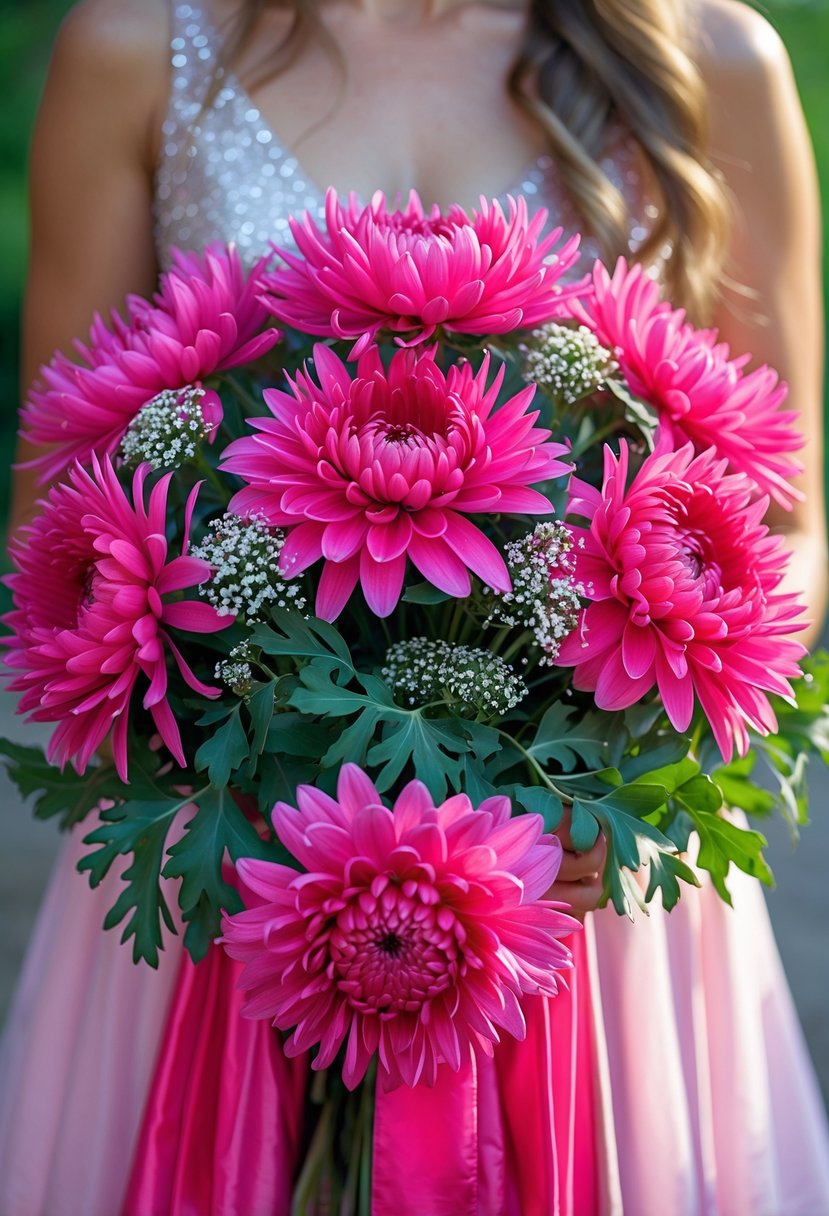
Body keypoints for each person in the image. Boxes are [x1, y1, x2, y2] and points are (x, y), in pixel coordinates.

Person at [1, 0, 828, 1212]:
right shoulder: (135, 45)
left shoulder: (709, 57)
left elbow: (790, 525)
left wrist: (622, 774)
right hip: (225, 854)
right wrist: (244, 730)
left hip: (578, 873)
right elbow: (58, 511)